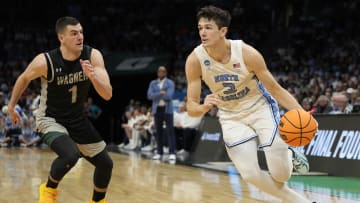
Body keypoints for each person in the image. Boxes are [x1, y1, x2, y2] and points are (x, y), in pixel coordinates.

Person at [185, 5, 315, 203]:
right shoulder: (195, 60)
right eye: (200, 27)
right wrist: (203, 106)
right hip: (231, 116)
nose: (203, 32)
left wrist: (301, 113)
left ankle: (290, 151)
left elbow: (275, 88)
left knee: (281, 175)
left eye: (208, 27)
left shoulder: (247, 53)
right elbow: (191, 107)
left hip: (260, 107)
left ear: (222, 31)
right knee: (250, 175)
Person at [7, 16, 113, 203]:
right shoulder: (45, 61)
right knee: (70, 155)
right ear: (61, 38)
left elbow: (107, 95)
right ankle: (48, 190)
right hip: (50, 119)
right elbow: (24, 78)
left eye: (81, 32)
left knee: (106, 164)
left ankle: (98, 201)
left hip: (77, 119)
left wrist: (93, 76)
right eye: (74, 33)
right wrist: (11, 105)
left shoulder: (92, 55)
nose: (79, 36)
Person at [147, 66, 176, 162]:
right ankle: (159, 152)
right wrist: (161, 93)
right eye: (159, 71)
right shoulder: (153, 83)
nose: (161, 73)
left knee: (170, 131)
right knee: (158, 131)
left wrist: (157, 94)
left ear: (166, 73)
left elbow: (169, 96)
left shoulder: (170, 83)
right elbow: (149, 96)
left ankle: (172, 153)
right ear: (157, 72)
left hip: (167, 109)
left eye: (163, 71)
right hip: (157, 109)